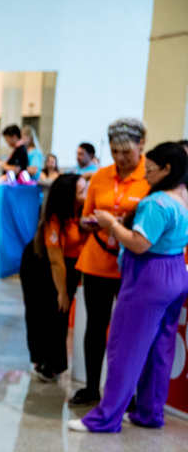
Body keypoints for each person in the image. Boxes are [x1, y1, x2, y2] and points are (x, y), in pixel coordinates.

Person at [69, 142, 188, 432]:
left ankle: (105, 418)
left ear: (167, 169)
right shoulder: (182, 195)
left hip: (148, 275)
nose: (145, 176)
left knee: (126, 346)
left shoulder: (156, 202)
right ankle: (149, 413)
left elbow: (139, 242)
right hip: (175, 272)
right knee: (161, 346)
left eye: (150, 171)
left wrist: (111, 223)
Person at [69, 118, 151, 406]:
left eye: (126, 152)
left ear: (142, 145)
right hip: (97, 259)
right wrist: (93, 222)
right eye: (115, 151)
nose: (120, 158)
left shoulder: (150, 178)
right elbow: (84, 216)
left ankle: (124, 392)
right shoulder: (100, 176)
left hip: (134, 262)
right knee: (95, 325)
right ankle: (92, 387)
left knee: (129, 328)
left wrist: (121, 223)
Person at [20, 174, 88, 381]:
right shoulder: (55, 217)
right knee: (42, 311)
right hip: (41, 263)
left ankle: (54, 363)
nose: (87, 193)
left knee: (59, 315)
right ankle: (43, 362)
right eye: (82, 191)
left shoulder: (88, 213)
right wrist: (62, 293)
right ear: (68, 196)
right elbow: (56, 260)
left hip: (70, 266)